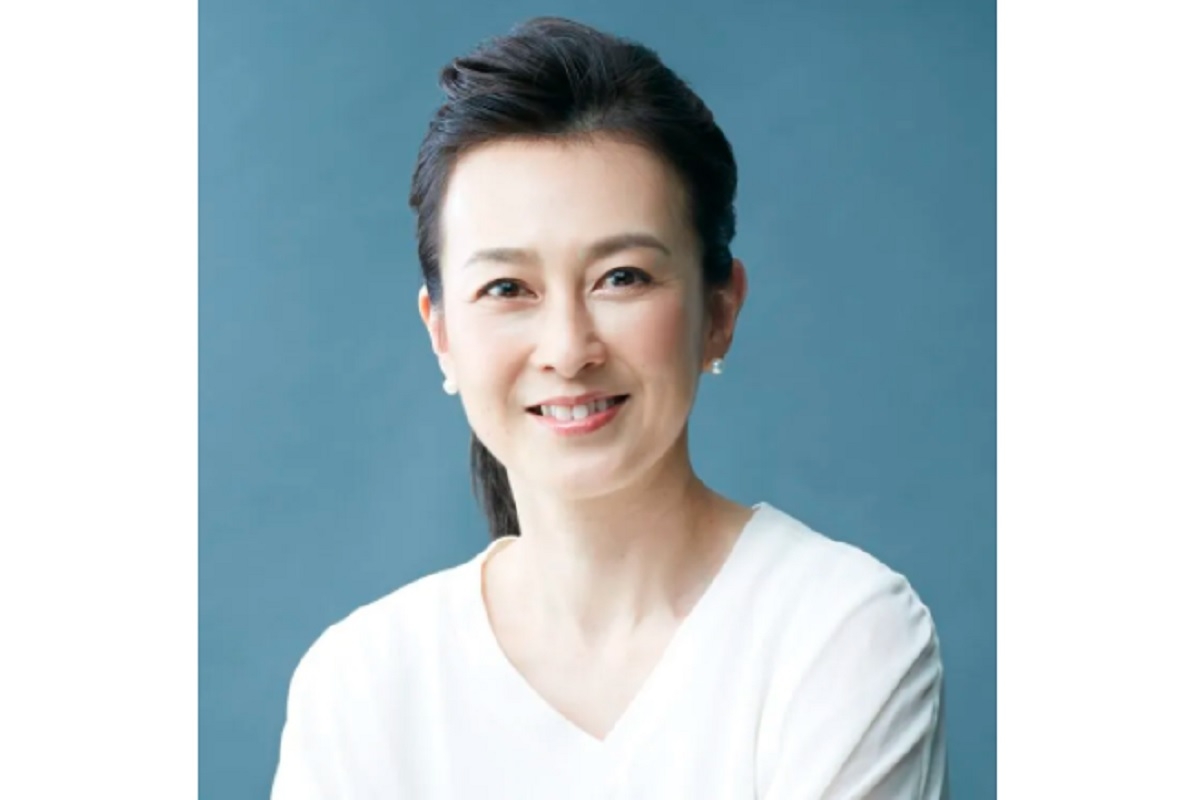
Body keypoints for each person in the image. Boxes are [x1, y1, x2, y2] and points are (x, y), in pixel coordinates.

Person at [271, 16, 947, 799]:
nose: (568, 349)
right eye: (507, 288)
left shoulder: (837, 630)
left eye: (622, 277)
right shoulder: (363, 681)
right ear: (442, 334)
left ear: (719, 310)